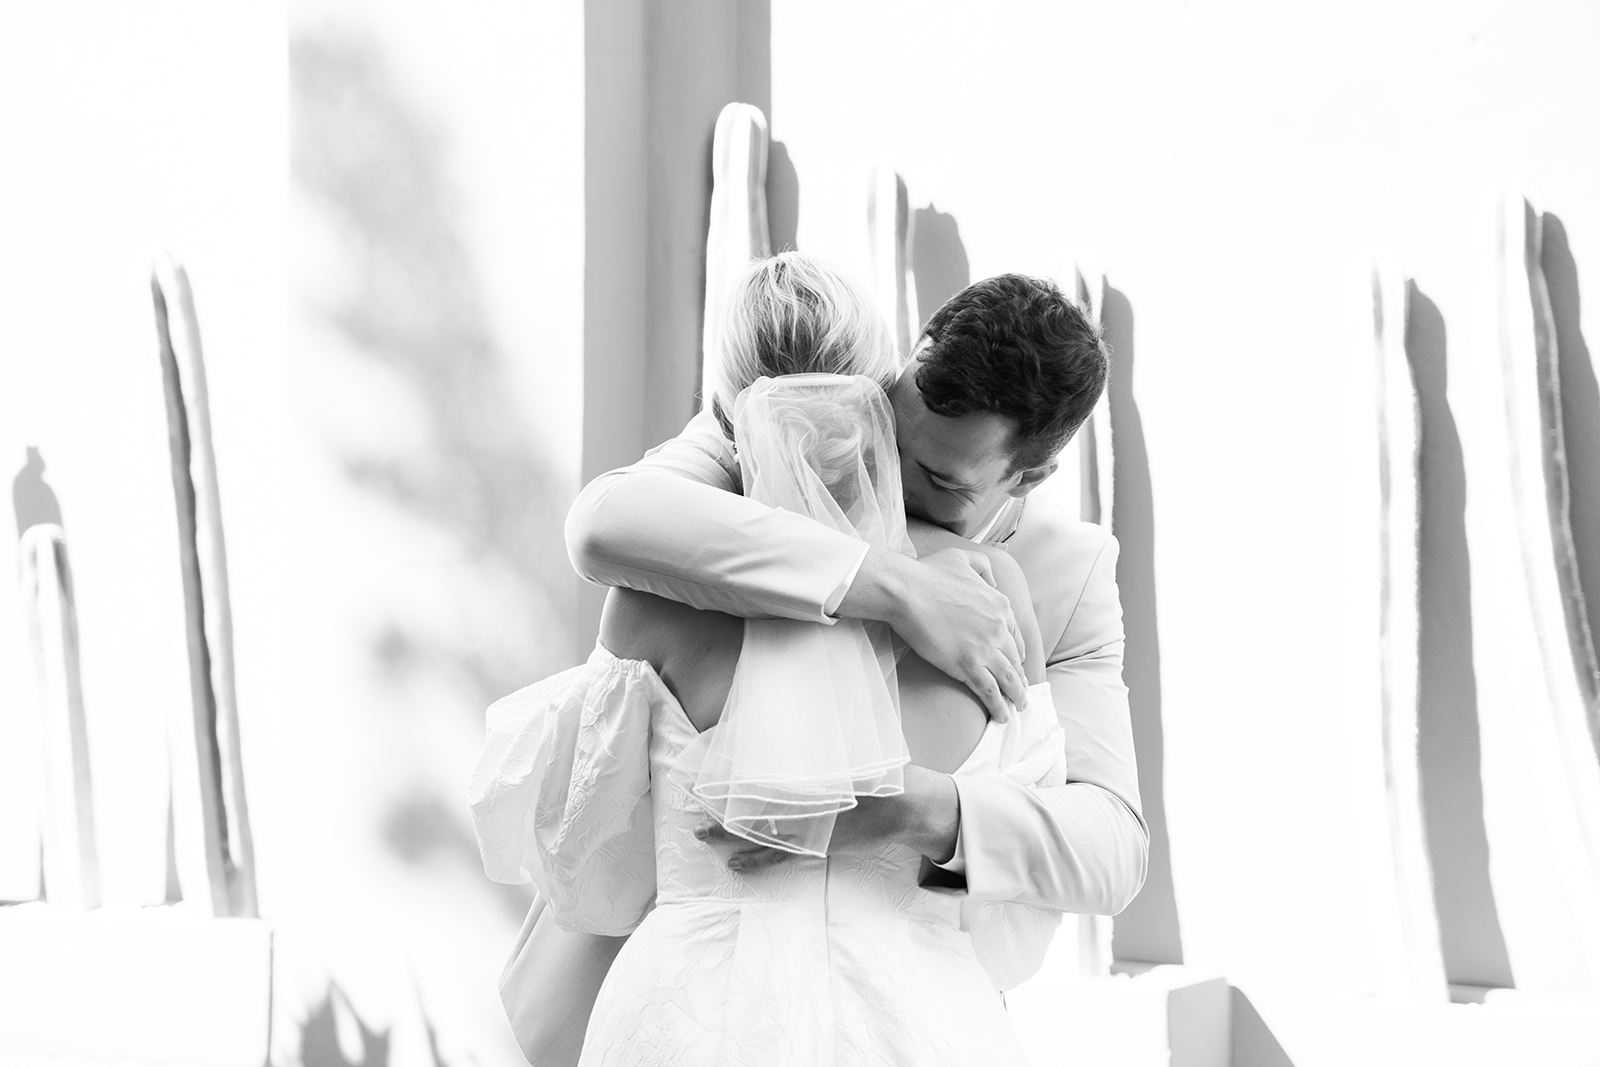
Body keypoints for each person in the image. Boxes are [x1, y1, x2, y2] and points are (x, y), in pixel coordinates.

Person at [491, 262, 1149, 1063]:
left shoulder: (1060, 575)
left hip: (698, 1003)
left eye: (940, 477)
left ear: (1030, 475)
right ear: (881, 382)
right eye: (889, 427)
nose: (890, 476)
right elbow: (599, 522)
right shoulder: (695, 507)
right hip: (906, 1009)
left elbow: (1110, 845)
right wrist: (896, 588)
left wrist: (905, 808)